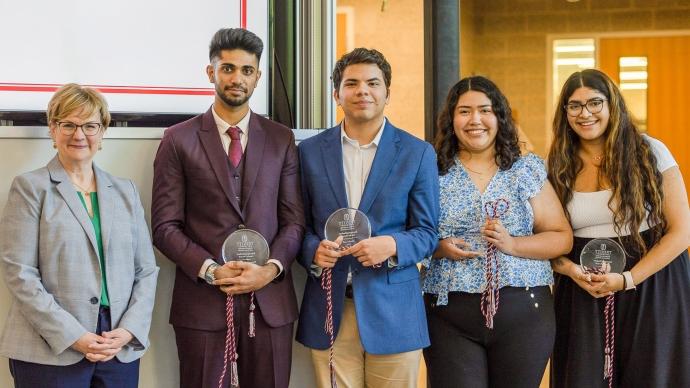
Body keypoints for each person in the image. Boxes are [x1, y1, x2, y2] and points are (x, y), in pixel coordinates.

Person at [151, 28, 304, 388]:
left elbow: (295, 222)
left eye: (247, 71)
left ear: (258, 76)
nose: (237, 79)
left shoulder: (281, 138)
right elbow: (164, 226)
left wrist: (270, 270)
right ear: (211, 72)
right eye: (228, 69)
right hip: (203, 301)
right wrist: (210, 270)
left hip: (269, 303)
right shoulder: (178, 139)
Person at [295, 47, 439, 388]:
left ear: (387, 92)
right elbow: (295, 225)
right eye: (352, 83)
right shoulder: (309, 152)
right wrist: (312, 250)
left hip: (394, 311)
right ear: (336, 93)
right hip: (330, 307)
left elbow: (427, 232)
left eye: (373, 83)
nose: (363, 91)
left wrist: (391, 245)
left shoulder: (417, 153)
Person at [0, 83, 159, 388]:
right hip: (49, 348)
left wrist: (129, 330)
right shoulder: (31, 188)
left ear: (102, 132)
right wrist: (75, 335)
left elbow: (146, 271)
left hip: (117, 345)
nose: (79, 134)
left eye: (89, 125)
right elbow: (20, 273)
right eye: (68, 125)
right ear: (52, 130)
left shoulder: (125, 191)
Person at [421, 76, 573, 388]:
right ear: (451, 119)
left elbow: (561, 236)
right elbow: (412, 233)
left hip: (523, 312)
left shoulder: (525, 168)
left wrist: (513, 244)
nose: (475, 120)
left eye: (485, 110)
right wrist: (439, 247)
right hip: (448, 314)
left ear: (499, 117)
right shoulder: (431, 169)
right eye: (464, 111)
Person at [548, 69, 690, 387]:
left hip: (651, 283)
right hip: (582, 288)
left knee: (652, 375)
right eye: (574, 105)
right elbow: (546, 237)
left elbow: (682, 231)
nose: (585, 113)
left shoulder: (649, 152)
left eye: (595, 103)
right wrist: (571, 271)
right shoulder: (556, 164)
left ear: (613, 105)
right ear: (565, 112)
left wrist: (626, 279)